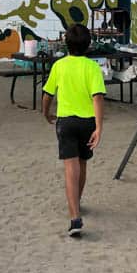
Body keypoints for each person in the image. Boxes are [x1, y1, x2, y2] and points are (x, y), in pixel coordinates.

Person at [42, 24, 105, 237]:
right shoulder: (93, 67)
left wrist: (46, 113)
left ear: (66, 43)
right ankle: (77, 201)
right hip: (87, 121)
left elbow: (47, 94)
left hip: (66, 121)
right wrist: (99, 126)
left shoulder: (59, 66)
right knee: (82, 163)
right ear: (88, 46)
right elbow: (97, 97)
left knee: (70, 168)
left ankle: (75, 216)